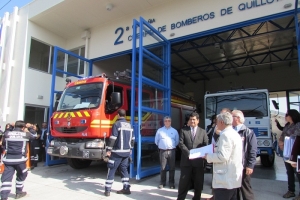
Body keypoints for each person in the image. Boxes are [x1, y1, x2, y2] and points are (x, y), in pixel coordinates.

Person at [204, 112, 243, 200]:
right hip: (232, 178)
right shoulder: (234, 133)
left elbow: (222, 156)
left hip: (224, 180)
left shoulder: (225, 135)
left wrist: (208, 156)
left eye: (217, 122)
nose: (216, 124)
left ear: (221, 122)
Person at [0, 120, 37, 200]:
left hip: (8, 160)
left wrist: (11, 127)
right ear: (23, 127)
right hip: (20, 160)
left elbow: (3, 142)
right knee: (22, 175)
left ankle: (4, 197)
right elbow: (34, 136)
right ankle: (19, 192)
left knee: (6, 178)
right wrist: (30, 128)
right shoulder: (25, 134)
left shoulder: (7, 133)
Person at [177, 112, 208, 200]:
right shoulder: (183, 130)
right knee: (183, 183)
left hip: (198, 163)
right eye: (191, 119)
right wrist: (189, 153)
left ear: (198, 121)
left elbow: (206, 144)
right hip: (186, 162)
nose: (192, 121)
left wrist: (200, 154)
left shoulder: (203, 132)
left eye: (194, 119)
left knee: (198, 184)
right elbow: (181, 144)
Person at [104, 109, 135, 197]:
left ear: (118, 115)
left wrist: (108, 150)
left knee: (111, 169)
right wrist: (131, 149)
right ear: (125, 115)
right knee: (124, 170)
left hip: (116, 153)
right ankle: (126, 188)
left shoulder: (116, 124)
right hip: (126, 153)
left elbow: (113, 138)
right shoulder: (130, 125)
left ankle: (107, 190)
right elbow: (133, 139)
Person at [232, 110, 257, 200]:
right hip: (232, 166)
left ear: (238, 118)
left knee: (245, 188)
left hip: (243, 166)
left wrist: (250, 165)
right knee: (234, 190)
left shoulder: (248, 132)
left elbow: (252, 150)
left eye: (232, 116)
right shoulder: (230, 131)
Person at [279, 110, 300, 199]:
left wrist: (285, 141)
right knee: (289, 172)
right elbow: (283, 134)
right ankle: (291, 191)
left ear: (292, 116)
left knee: (298, 173)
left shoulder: (298, 125)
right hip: (287, 153)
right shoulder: (287, 125)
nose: (285, 116)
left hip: (295, 152)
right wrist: (280, 142)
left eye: (287, 115)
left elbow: (295, 137)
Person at [155, 116, 179, 189]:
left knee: (172, 168)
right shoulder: (159, 130)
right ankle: (162, 182)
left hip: (172, 151)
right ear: (163, 122)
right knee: (163, 168)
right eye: (166, 121)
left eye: (169, 121)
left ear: (171, 122)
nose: (167, 122)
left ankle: (171, 183)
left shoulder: (174, 131)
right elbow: (156, 141)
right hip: (162, 151)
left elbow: (177, 141)